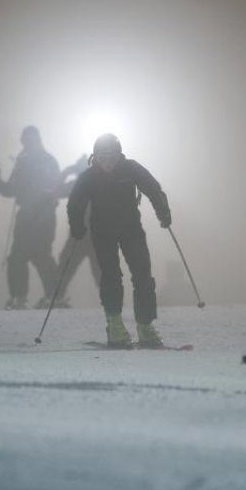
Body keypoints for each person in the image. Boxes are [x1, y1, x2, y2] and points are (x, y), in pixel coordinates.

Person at [67, 134, 172, 348]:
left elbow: (153, 189)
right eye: (102, 156)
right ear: (95, 157)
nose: (107, 160)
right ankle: (114, 324)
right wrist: (77, 227)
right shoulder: (89, 177)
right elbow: (75, 203)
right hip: (103, 231)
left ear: (119, 154)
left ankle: (145, 326)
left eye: (112, 155)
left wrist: (163, 212)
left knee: (142, 274)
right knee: (111, 275)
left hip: (131, 229)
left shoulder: (131, 169)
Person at [0, 126, 61, 310]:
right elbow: (12, 190)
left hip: (40, 215)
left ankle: (38, 297)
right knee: (25, 256)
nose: (27, 144)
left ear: (36, 140)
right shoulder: (35, 161)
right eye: (25, 141)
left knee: (34, 255)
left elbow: (55, 187)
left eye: (29, 140)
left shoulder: (36, 161)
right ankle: (42, 296)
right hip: (33, 215)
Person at [53, 154, 101, 309]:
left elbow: (55, 190)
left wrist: (66, 172)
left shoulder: (80, 184)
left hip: (87, 234)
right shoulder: (82, 183)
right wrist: (66, 173)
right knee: (68, 265)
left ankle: (56, 297)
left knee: (68, 265)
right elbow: (56, 191)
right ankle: (57, 297)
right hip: (87, 235)